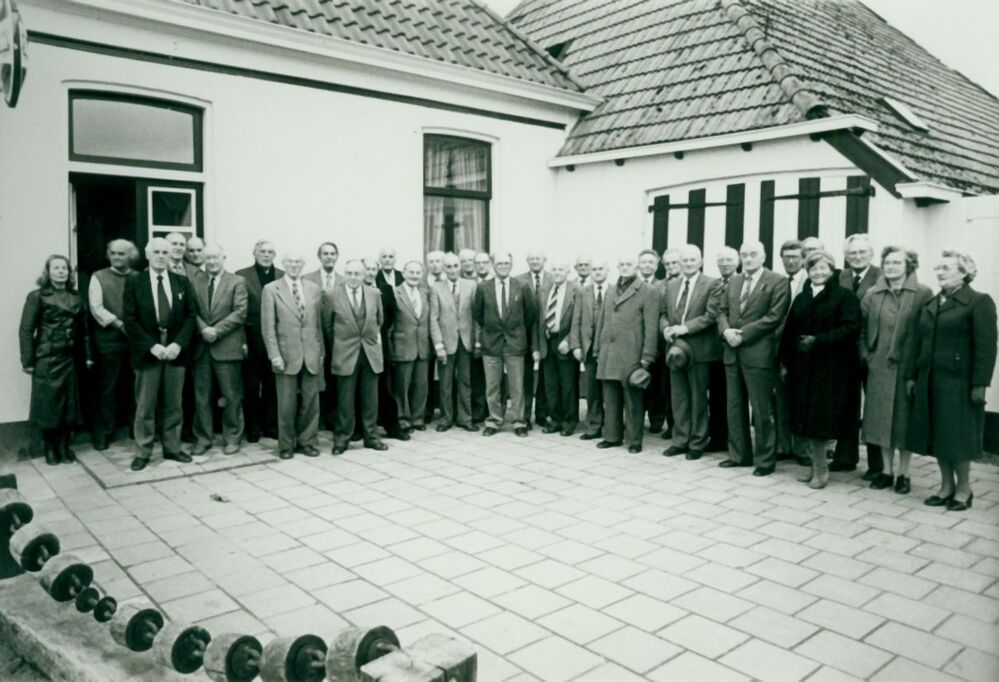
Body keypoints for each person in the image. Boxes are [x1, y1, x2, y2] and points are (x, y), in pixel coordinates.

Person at [906, 250, 997, 512]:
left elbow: (987, 347)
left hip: (959, 384)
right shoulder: (933, 303)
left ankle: (964, 490)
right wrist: (912, 376)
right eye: (938, 268)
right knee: (937, 434)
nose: (940, 272)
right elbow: (918, 342)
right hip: (930, 381)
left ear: (964, 272)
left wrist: (980, 384)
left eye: (946, 268)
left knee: (957, 438)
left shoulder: (978, 302)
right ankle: (946, 487)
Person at [780, 249, 861, 489]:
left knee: (819, 420)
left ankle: (821, 469)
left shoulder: (844, 297)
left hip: (830, 369)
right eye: (813, 268)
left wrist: (818, 340)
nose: (818, 272)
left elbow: (851, 328)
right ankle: (813, 465)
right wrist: (784, 361)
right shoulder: (802, 297)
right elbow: (789, 331)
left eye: (823, 268)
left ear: (832, 270)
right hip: (803, 367)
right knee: (804, 418)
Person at [860, 246, 932, 494]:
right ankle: (886, 471)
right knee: (880, 420)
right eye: (887, 263)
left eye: (897, 263)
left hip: (906, 369)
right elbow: (861, 328)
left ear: (908, 266)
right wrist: (867, 356)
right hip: (879, 367)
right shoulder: (873, 293)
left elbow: (926, 333)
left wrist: (917, 368)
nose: (891, 267)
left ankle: (904, 473)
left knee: (903, 422)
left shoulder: (923, 293)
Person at [123, 238, 197, 471]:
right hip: (149, 351)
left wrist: (178, 344)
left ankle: (172, 448)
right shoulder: (135, 282)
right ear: (148, 255)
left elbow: (190, 316)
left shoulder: (182, 282)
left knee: (174, 404)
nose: (161, 256)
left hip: (175, 351)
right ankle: (143, 452)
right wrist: (151, 346)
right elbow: (130, 319)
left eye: (165, 252)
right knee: (145, 406)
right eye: (156, 252)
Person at [717, 241, 790, 476]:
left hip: (758, 354)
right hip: (732, 352)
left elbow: (774, 317)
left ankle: (765, 460)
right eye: (744, 255)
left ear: (764, 256)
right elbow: (721, 311)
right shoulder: (734, 281)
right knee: (734, 406)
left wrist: (743, 335)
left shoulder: (778, 281)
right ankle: (739, 455)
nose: (748, 259)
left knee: (761, 409)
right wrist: (726, 331)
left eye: (753, 254)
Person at [19, 255, 91, 465]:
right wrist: (27, 361)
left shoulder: (76, 297)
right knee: (48, 405)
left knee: (69, 404)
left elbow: (85, 330)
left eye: (64, 268)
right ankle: (50, 448)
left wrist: (88, 356)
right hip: (46, 357)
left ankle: (64, 446)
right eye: (56, 268)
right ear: (48, 272)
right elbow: (26, 330)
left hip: (69, 357)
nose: (61, 272)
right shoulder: (37, 296)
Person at [660, 245, 722, 461]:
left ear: (700, 261)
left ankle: (697, 442)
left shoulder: (712, 284)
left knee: (698, 399)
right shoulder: (671, 285)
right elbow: (663, 313)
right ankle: (680, 440)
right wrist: (665, 328)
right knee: (678, 397)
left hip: (699, 350)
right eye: (684, 260)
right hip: (674, 350)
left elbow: (711, 315)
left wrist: (685, 328)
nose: (688, 264)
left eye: (692, 260)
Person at [261, 253, 324, 459]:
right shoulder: (271, 289)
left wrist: (320, 352)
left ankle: (307, 442)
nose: (294, 265)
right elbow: (268, 327)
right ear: (284, 264)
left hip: (311, 354)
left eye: (298, 262)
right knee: (286, 404)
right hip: (286, 355)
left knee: (311, 402)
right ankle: (286, 445)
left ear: (303, 264)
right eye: (290, 262)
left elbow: (317, 325)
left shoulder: (313, 288)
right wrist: (274, 355)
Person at [595, 255, 659, 453]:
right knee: (611, 397)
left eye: (629, 264)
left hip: (632, 353)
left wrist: (647, 356)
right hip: (609, 352)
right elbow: (602, 322)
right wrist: (598, 349)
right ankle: (612, 436)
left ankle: (634, 440)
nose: (625, 267)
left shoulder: (648, 291)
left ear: (636, 267)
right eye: (621, 264)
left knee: (633, 400)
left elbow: (651, 327)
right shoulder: (611, 290)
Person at [832, 233, 884, 474]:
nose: (857, 256)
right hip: (842, 353)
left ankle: (877, 465)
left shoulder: (882, 276)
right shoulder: (839, 276)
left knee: (874, 407)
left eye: (862, 252)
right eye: (852, 252)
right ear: (845, 256)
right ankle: (845, 457)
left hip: (871, 350)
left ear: (871, 254)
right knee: (845, 404)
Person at [326, 260, 388, 454]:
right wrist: (340, 346)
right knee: (345, 400)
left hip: (370, 353)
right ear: (345, 274)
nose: (353, 277)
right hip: (345, 353)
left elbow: (379, 321)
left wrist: (369, 342)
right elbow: (327, 326)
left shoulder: (374, 294)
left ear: (364, 275)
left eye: (357, 274)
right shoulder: (331, 295)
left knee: (371, 399)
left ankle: (372, 437)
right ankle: (342, 439)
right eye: (350, 273)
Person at [191, 244, 247, 456]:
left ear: (224, 257)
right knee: (201, 396)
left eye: (216, 257)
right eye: (208, 258)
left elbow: (240, 311)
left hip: (227, 346)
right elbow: (191, 309)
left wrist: (216, 330)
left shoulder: (237, 281)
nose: (212, 261)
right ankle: (203, 438)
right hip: (202, 348)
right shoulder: (195, 280)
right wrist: (203, 329)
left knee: (231, 395)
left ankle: (232, 437)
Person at [473, 252, 538, 436]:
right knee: (492, 386)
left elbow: (530, 314)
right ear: (493, 265)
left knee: (517, 386)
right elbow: (478, 313)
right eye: (500, 263)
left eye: (506, 263)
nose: (503, 266)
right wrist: (492, 329)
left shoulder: (521, 286)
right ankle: (494, 421)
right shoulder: (483, 287)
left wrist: (516, 331)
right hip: (491, 343)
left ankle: (519, 422)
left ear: (511, 264)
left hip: (515, 343)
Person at [88, 239, 137, 450]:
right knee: (108, 388)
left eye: (122, 254)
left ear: (130, 256)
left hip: (135, 342)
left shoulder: (138, 277)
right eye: (114, 253)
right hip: (109, 342)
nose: (117, 257)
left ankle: (137, 429)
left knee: (136, 386)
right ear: (109, 255)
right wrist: (120, 324)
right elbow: (96, 308)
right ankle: (104, 432)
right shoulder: (99, 277)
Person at [235, 240, 283, 442]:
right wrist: (242, 341)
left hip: (276, 339)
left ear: (274, 255)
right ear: (254, 253)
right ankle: (253, 427)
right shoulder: (242, 276)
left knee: (273, 384)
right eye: (262, 251)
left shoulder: (282, 275)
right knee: (251, 385)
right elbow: (238, 311)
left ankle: (271, 425)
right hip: (252, 338)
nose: (266, 255)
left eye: (270, 252)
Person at [431, 253, 478, 432]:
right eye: (449, 266)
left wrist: (476, 341)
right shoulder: (436, 288)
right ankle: (446, 418)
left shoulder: (471, 285)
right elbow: (433, 319)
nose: (452, 270)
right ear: (444, 268)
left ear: (460, 267)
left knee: (466, 382)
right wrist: (438, 345)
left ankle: (465, 419)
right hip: (446, 343)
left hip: (465, 342)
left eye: (455, 266)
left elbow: (476, 316)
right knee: (445, 383)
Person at [387, 261, 432, 437]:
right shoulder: (394, 292)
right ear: (404, 274)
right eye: (411, 272)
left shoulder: (426, 293)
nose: (414, 276)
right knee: (402, 386)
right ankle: (403, 419)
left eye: (418, 273)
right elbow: (390, 322)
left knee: (421, 385)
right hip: (403, 345)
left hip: (423, 345)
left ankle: (418, 418)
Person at [537, 260, 580, 436]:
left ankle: (569, 422)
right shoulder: (543, 290)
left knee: (568, 385)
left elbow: (578, 319)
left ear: (568, 271)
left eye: (560, 269)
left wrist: (569, 340)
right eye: (554, 269)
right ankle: (555, 420)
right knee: (551, 385)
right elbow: (539, 319)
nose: (557, 272)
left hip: (565, 343)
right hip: (548, 342)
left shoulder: (576, 290)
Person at [774, 239, 807, 463]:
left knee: (801, 401)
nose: (791, 261)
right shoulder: (780, 282)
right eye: (786, 257)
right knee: (780, 400)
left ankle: (802, 450)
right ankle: (783, 446)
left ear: (803, 259)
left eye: (795, 257)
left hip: (801, 351)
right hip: (778, 348)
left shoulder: (809, 282)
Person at [570, 260, 608, 440]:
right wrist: (576, 345)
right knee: (592, 390)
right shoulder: (583, 292)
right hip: (590, 347)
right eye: (595, 269)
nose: (597, 272)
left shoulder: (615, 290)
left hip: (609, 347)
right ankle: (594, 425)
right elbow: (576, 319)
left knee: (610, 389)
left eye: (601, 269)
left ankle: (612, 425)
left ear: (607, 270)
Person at [305, 241, 341, 430]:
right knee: (316, 377)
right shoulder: (307, 279)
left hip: (338, 337)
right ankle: (316, 418)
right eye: (325, 253)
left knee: (335, 377)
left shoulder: (345, 280)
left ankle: (333, 417)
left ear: (337, 256)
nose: (329, 257)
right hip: (315, 335)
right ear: (319, 256)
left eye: (332, 253)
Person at [708, 247, 740, 451]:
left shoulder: (742, 282)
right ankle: (718, 438)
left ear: (737, 262)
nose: (725, 264)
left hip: (736, 344)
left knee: (735, 397)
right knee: (717, 394)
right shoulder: (714, 284)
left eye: (729, 260)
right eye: (721, 260)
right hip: (714, 348)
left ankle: (736, 439)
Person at [637, 248, 670, 438]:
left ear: (657, 266)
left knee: (657, 383)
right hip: (635, 342)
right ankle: (636, 418)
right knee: (637, 381)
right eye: (644, 262)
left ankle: (656, 419)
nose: (647, 265)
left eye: (651, 262)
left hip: (656, 343)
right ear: (638, 265)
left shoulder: (663, 287)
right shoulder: (633, 285)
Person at [516, 251, 550, 430]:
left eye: (538, 258)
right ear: (527, 261)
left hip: (547, 334)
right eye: (532, 259)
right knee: (526, 377)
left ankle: (542, 414)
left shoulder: (553, 278)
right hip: (525, 334)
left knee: (545, 376)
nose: (535, 261)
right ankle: (525, 415)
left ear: (545, 260)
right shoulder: (518, 280)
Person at [374, 247, 403, 439]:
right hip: (363, 342)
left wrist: (383, 331)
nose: (387, 259)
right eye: (383, 256)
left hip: (384, 340)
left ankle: (391, 425)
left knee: (387, 385)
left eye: (390, 256)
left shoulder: (388, 287)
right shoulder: (361, 284)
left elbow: (392, 313)